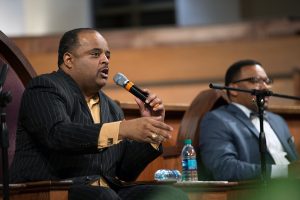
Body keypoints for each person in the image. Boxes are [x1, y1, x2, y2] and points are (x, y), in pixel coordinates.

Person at [9, 28, 188, 200]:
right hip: (52, 189)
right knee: (103, 195)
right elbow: (57, 134)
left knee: (171, 195)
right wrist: (121, 129)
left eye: (107, 55)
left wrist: (152, 130)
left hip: (104, 191)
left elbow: (125, 172)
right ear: (69, 60)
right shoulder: (44, 88)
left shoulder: (111, 108)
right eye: (95, 54)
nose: (105, 60)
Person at [198, 59, 299, 181]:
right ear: (233, 89)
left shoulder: (278, 120)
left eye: (267, 81)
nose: (265, 87)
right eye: (255, 80)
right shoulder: (217, 120)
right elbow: (224, 168)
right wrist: (284, 172)